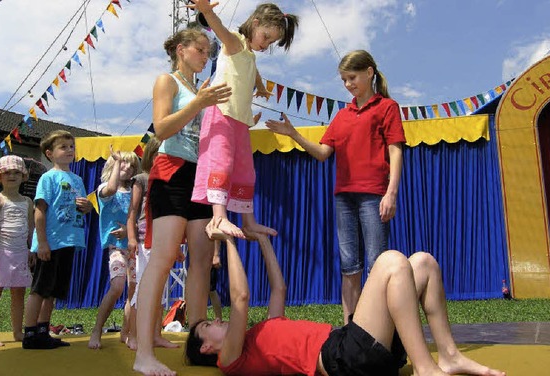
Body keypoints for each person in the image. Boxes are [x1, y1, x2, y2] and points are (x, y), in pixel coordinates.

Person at [186, 228, 507, 376]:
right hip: (343, 359)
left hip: (355, 347)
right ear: (206, 348)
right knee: (392, 262)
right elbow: (240, 298)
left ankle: (449, 356)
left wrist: (262, 240)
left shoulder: (260, 333)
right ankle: (425, 368)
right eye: (207, 326)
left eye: (209, 318)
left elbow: (278, 289)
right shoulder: (230, 359)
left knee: (424, 263)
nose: (215, 320)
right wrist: (227, 240)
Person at [265, 49, 406, 323]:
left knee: (377, 265)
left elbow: (395, 151)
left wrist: (391, 193)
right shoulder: (341, 116)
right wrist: (293, 134)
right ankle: (349, 327)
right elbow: (322, 153)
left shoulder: (387, 108)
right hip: (344, 198)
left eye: (352, 77)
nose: (348, 84)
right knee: (349, 266)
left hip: (374, 195)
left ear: (369, 73)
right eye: (343, 80)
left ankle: (378, 327)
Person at [133, 27, 232, 375]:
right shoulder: (168, 82)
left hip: (200, 177)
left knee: (202, 262)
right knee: (161, 261)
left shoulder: (199, 90)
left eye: (209, 52)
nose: (206, 57)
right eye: (202, 50)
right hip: (171, 172)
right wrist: (199, 103)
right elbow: (161, 129)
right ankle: (143, 352)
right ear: (181, 49)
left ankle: (197, 342)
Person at [189, 1, 298, 240]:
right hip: (222, 113)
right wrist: (207, 11)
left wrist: (259, 84)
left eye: (271, 43)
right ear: (255, 23)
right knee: (222, 163)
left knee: (245, 171)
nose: (265, 44)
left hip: (240, 120)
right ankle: (218, 217)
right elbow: (220, 30)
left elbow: (250, 68)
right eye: (266, 37)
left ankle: (249, 222)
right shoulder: (235, 42)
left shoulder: (248, 54)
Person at [23, 130, 93, 350]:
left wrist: (88, 207)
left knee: (54, 290)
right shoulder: (48, 177)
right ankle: (30, 333)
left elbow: (83, 208)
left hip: (69, 241)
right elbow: (40, 210)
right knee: (39, 289)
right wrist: (42, 242)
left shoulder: (78, 179)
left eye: (72, 146)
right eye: (63, 147)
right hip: (50, 242)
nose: (69, 150)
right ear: (49, 153)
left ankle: (44, 330)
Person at [88, 148, 140, 350]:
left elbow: (137, 218)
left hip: (133, 246)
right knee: (117, 286)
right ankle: (97, 330)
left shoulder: (135, 191)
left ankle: (126, 332)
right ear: (113, 165)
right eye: (122, 163)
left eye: (131, 164)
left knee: (133, 290)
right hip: (116, 248)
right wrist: (117, 163)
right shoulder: (104, 188)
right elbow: (110, 189)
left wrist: (129, 231)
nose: (128, 167)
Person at [0, 155, 34, 347]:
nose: (12, 176)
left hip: (20, 254)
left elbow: (31, 228)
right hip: (1, 254)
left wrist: (32, 250)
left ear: (23, 176)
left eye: (16, 173)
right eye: (7, 173)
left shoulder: (28, 202)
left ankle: (18, 332)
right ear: (0, 177)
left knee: (19, 293)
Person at [127, 137, 165, 351]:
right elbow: (132, 212)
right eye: (158, 152)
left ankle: (156, 334)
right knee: (143, 288)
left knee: (159, 290)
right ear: (150, 155)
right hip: (143, 240)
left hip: (163, 240)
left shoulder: (169, 181)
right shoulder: (141, 179)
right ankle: (133, 335)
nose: (163, 157)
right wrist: (131, 238)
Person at [209, 241, 223, 320]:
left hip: (209, 257)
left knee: (211, 290)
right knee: (197, 290)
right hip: (197, 257)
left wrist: (216, 255)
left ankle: (219, 319)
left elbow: (216, 236)